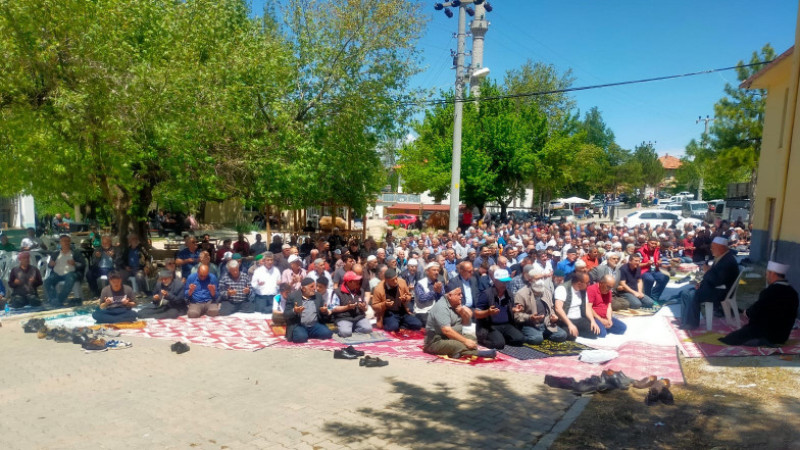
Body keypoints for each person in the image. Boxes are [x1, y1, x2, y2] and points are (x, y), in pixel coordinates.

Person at [720, 261, 799, 346]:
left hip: (765, 334)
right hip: (783, 336)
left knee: (728, 339)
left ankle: (761, 342)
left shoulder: (770, 292)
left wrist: (747, 312)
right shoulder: (793, 293)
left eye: (767, 274)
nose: (766, 276)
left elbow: (757, 310)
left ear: (772, 274)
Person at [679, 237, 740, 330]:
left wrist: (707, 271)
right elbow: (714, 277)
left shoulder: (727, 261)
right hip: (715, 288)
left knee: (691, 294)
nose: (711, 249)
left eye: (714, 247)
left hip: (721, 292)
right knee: (684, 293)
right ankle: (686, 321)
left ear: (722, 248)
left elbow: (717, 281)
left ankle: (691, 324)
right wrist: (702, 283)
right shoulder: (721, 257)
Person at [422, 286, 489, 358]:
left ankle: (456, 352)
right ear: (450, 295)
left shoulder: (455, 303)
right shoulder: (441, 307)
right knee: (460, 344)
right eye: (459, 294)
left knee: (471, 337)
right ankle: (476, 353)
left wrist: (462, 312)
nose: (461, 296)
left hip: (447, 337)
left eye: (461, 294)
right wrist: (465, 341)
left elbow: (467, 321)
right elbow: (446, 331)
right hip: (435, 341)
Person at [513, 266, 567, 344]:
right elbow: (517, 316)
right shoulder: (521, 294)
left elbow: (551, 308)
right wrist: (530, 317)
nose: (541, 281)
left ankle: (541, 335)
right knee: (536, 339)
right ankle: (527, 337)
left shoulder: (546, 291)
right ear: (530, 280)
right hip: (529, 325)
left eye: (542, 278)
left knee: (562, 335)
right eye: (537, 279)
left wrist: (553, 317)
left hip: (545, 323)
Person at [474, 268, 525, 349]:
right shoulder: (486, 294)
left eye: (506, 282)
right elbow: (476, 314)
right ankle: (483, 340)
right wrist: (488, 312)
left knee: (520, 339)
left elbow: (506, 310)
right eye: (502, 282)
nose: (504, 284)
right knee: (498, 344)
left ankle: (501, 338)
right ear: (495, 281)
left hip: (506, 325)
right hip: (490, 326)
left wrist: (514, 310)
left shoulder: (509, 294)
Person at [284, 277, 333, 343]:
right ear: (304, 289)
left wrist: (324, 312)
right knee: (301, 338)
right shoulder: (293, 296)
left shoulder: (318, 296)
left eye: (314, 286)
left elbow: (323, 316)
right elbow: (286, 314)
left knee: (327, 333)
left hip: (314, 325)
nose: (315, 288)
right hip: (299, 325)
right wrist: (294, 311)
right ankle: (304, 334)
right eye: (311, 287)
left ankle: (307, 334)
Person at [44, 235, 86, 307]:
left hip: (71, 273)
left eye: (67, 241)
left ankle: (59, 300)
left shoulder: (75, 253)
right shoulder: (55, 253)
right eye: (64, 241)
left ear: (70, 242)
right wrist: (51, 264)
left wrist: (75, 263)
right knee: (47, 281)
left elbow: (83, 264)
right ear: (60, 243)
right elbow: (49, 265)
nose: (66, 243)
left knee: (70, 278)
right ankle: (53, 299)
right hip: (57, 274)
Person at [553, 272, 598, 339]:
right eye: (587, 283)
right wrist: (570, 324)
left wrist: (592, 321)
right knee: (570, 335)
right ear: (579, 283)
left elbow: (587, 308)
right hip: (566, 320)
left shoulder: (583, 290)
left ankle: (577, 331)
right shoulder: (562, 289)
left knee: (594, 332)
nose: (589, 284)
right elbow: (558, 308)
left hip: (579, 319)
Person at [330, 271, 372, 337]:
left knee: (368, 329)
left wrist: (363, 307)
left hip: (358, 317)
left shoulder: (361, 291)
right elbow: (333, 308)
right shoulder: (338, 292)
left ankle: (352, 328)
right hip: (344, 317)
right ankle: (346, 328)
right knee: (345, 333)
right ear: (349, 282)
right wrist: (347, 307)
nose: (358, 282)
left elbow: (365, 307)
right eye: (355, 281)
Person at [638, 238, 669, 303]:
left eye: (655, 244)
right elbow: (636, 264)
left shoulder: (657, 251)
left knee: (665, 276)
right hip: (644, 271)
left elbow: (659, 262)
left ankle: (654, 297)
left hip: (655, 270)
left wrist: (659, 263)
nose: (654, 245)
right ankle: (647, 298)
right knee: (649, 279)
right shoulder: (640, 251)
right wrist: (646, 263)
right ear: (647, 243)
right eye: (652, 243)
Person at [414, 262, 445, 326]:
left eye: (438, 270)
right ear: (427, 272)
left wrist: (439, 292)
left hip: (436, 311)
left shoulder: (439, 283)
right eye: (434, 270)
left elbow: (442, 299)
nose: (436, 272)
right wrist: (434, 291)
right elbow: (421, 298)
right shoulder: (420, 283)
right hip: (423, 311)